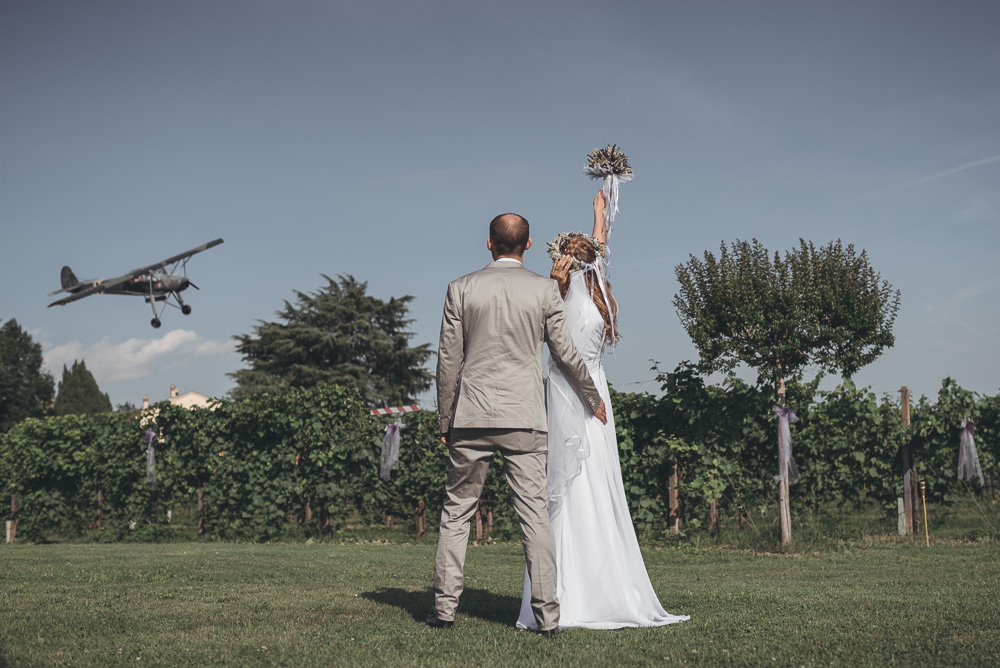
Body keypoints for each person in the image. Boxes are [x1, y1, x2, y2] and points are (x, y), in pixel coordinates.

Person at [516, 191, 690, 630]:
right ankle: (593, 588)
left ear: (564, 261)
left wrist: (598, 219)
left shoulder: (568, 298)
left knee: (578, 487)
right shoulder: (597, 299)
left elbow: (556, 354)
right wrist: (598, 217)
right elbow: (598, 255)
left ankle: (571, 592)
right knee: (589, 485)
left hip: (578, 396)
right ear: (590, 262)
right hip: (588, 397)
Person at [428, 212, 608, 636]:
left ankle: (444, 611)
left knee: (456, 513)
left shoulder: (461, 288)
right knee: (535, 517)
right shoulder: (545, 290)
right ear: (528, 246)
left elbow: (448, 360)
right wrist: (592, 395)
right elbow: (564, 353)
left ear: (489, 243)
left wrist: (445, 417)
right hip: (525, 417)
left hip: (471, 416)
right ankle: (548, 618)